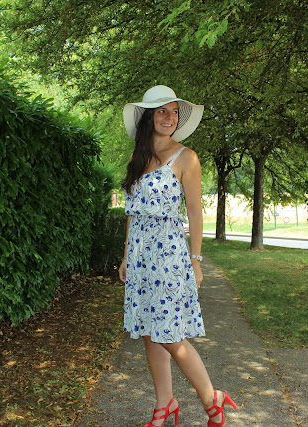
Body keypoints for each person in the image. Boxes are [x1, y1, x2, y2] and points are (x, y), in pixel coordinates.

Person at [119, 85, 238, 427]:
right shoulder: (136, 158)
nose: (169, 117)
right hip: (141, 254)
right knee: (149, 331)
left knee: (170, 335)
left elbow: (196, 213)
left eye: (174, 111)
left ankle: (210, 397)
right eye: (162, 111)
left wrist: (196, 260)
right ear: (148, 117)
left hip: (169, 253)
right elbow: (133, 212)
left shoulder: (187, 157)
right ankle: (164, 404)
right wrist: (127, 256)